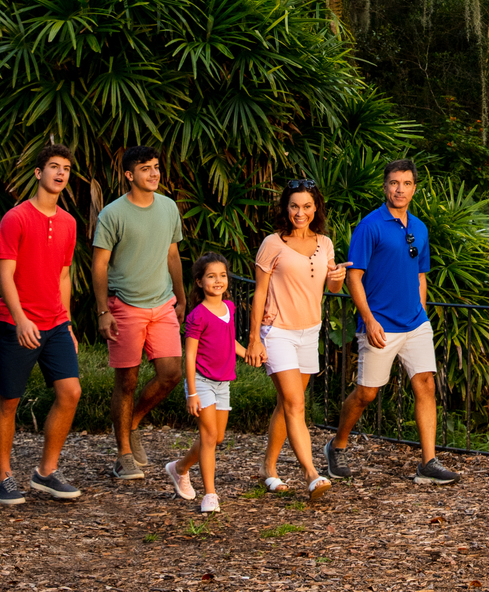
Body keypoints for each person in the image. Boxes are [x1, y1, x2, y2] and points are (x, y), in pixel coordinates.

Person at [324, 158, 459, 486]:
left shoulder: (421, 228)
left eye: (407, 183)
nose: (400, 189)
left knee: (425, 384)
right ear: (385, 187)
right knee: (367, 394)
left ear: (414, 188)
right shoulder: (370, 226)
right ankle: (337, 445)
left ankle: (428, 462)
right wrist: (368, 320)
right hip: (380, 324)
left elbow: (421, 275)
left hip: (415, 323)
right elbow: (355, 277)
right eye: (394, 183)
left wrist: (421, 314)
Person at [0, 143, 84, 507]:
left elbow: (63, 276)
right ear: (38, 173)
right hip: (16, 324)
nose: (60, 173)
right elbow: (5, 276)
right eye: (54, 167)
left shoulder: (69, 223)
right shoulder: (16, 218)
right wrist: (21, 319)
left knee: (70, 392)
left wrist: (68, 324)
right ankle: (3, 476)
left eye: (66, 169)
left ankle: (46, 472)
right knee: (9, 401)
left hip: (56, 324)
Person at [247, 179, 349, 497]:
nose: (300, 212)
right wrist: (254, 339)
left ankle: (268, 468)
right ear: (285, 208)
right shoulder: (272, 243)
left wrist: (338, 279)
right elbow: (259, 292)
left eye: (306, 206)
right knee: (296, 403)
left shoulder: (326, 243)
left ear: (315, 207)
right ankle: (311, 473)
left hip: (310, 332)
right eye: (294, 205)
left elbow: (332, 288)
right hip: (277, 331)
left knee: (286, 403)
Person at [91, 144, 187, 481]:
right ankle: (123, 455)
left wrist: (181, 297)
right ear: (129, 175)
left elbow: (172, 254)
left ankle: (130, 423)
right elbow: (99, 265)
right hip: (125, 305)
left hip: (161, 303)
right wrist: (103, 310)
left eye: (157, 167)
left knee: (172, 373)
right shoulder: (113, 214)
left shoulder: (168, 207)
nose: (154, 173)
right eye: (146, 168)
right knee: (127, 381)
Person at [164, 253, 247, 514]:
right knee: (209, 436)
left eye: (222, 275)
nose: (218, 280)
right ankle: (210, 494)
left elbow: (229, 340)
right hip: (201, 380)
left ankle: (179, 468)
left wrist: (250, 353)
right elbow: (189, 354)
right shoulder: (197, 316)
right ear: (199, 282)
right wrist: (191, 393)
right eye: (211, 276)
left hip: (223, 382)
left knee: (217, 437)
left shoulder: (230, 309)